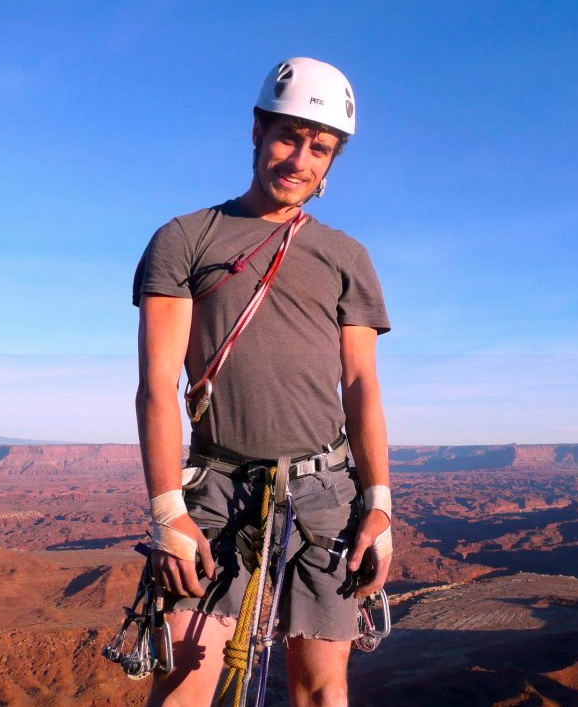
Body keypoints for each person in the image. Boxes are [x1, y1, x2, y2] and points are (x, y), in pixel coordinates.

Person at [132, 57, 393, 707]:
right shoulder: (185, 239)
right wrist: (169, 511)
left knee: (323, 690)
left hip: (325, 492)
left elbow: (361, 385)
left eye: (320, 147)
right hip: (217, 488)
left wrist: (380, 503)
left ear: (333, 160)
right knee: (186, 684)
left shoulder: (347, 258)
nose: (299, 158)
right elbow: (157, 384)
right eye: (287, 135)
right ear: (256, 130)